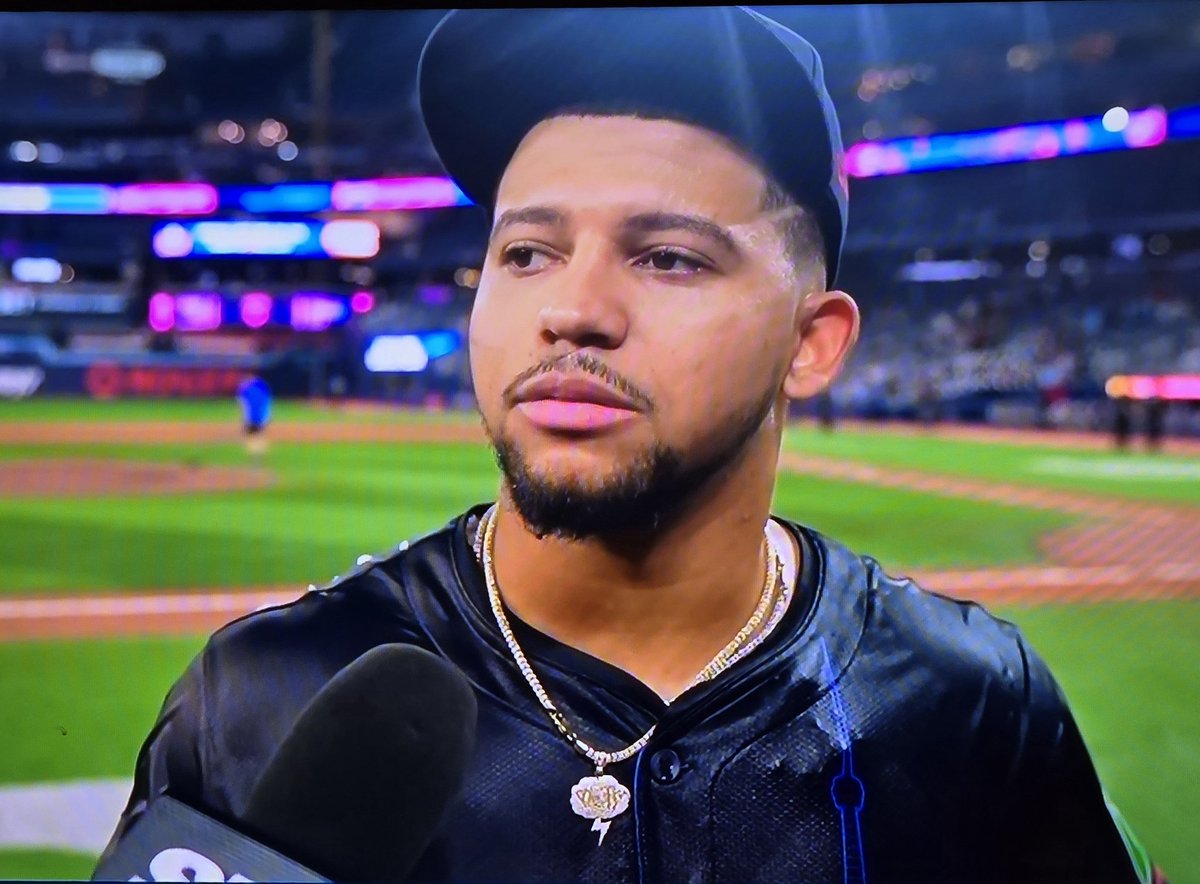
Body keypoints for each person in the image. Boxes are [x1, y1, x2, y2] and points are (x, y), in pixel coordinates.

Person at [101, 9, 1164, 883]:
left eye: (666, 258)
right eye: (526, 250)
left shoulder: (972, 702)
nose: (573, 309)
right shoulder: (261, 698)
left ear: (812, 341)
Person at [235, 373, 271, 457]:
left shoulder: (244, 390)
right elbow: (267, 403)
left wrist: (242, 416)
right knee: (258, 434)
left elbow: (241, 404)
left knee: (250, 434)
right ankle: (258, 452)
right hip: (262, 417)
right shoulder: (262, 388)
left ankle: (255, 453)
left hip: (250, 417)